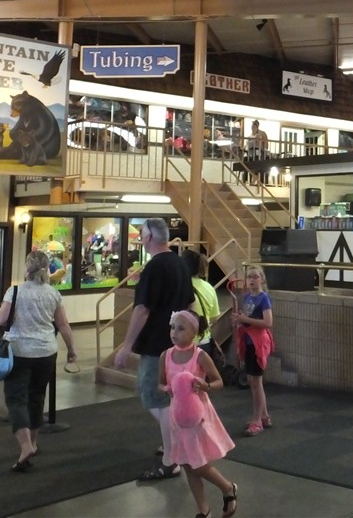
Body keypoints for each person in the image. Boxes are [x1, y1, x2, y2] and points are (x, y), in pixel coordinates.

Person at [114, 218, 195, 481]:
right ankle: (173, 443)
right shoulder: (180, 264)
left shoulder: (154, 267)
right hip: (175, 344)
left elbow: (142, 309)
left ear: (149, 238)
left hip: (156, 345)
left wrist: (126, 346)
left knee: (153, 396)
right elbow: (190, 304)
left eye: (141, 234)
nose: (140, 238)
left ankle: (171, 458)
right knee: (166, 397)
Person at [0, 250, 77, 472]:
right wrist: (71, 350)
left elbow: (1, 318)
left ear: (27, 268)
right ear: (47, 268)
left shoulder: (15, 291)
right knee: (37, 397)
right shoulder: (53, 293)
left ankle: (25, 446)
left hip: (19, 352)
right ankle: (33, 442)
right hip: (46, 352)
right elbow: (63, 325)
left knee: (16, 398)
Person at [159, 310, 238, 518]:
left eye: (180, 328)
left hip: (198, 418)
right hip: (177, 418)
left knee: (198, 463)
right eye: (172, 327)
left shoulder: (200, 356)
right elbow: (161, 382)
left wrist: (206, 386)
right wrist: (165, 388)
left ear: (194, 333)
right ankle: (203, 510)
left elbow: (218, 381)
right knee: (187, 464)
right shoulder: (165, 356)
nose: (174, 332)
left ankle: (227, 487)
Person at [232, 266, 274, 437]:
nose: (252, 280)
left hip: (258, 343)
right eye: (249, 277)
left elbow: (268, 323)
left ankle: (257, 420)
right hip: (249, 340)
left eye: (255, 277)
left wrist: (245, 319)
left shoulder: (264, 298)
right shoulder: (247, 297)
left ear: (262, 279)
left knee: (256, 381)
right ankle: (264, 416)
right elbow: (249, 319)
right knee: (253, 380)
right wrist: (240, 319)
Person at [184, 250, 220, 352]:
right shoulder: (209, 287)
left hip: (183, 342)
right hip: (204, 341)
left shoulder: (179, 286)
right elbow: (214, 317)